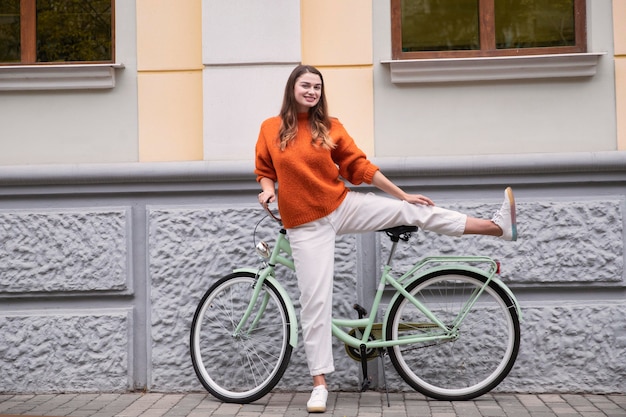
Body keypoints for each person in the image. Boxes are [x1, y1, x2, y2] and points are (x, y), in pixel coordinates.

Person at [254, 64, 517, 413]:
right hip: (305, 225)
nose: (312, 92)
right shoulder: (271, 128)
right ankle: (319, 385)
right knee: (314, 303)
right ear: (292, 88)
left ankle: (495, 227)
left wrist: (402, 194)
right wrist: (267, 191)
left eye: (317, 87)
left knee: (411, 210)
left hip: (341, 205)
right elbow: (264, 170)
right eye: (306, 85)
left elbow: (359, 167)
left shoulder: (329, 127)